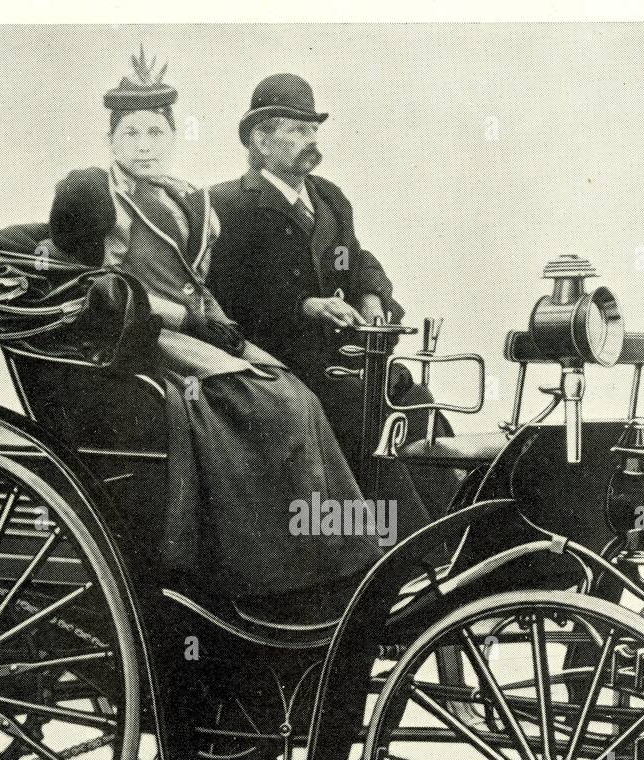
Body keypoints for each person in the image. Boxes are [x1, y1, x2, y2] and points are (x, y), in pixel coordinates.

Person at [47, 50, 382, 603]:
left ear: (172, 137)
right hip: (143, 338)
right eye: (131, 135)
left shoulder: (186, 198)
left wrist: (225, 329)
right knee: (282, 408)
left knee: (291, 394)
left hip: (200, 329)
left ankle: (327, 555)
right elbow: (91, 283)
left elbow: (346, 259)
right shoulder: (98, 194)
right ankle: (272, 568)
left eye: (155, 133)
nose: (145, 146)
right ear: (112, 142)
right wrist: (204, 321)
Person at [205, 73, 461, 527]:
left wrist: (371, 293)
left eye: (314, 129)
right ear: (261, 141)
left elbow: (354, 257)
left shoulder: (330, 198)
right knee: (367, 411)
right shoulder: (226, 206)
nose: (312, 139)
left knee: (412, 396)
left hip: (347, 356)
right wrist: (305, 305)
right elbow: (229, 293)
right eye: (299, 130)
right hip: (280, 365)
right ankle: (406, 547)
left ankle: (458, 527)